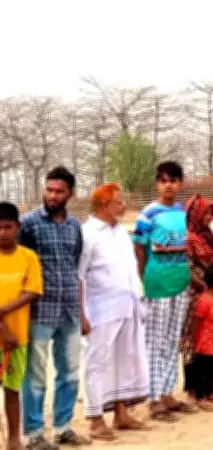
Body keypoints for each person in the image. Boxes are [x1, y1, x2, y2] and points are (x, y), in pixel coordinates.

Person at [19, 167, 91, 448]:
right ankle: (34, 433)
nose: (52, 195)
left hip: (69, 310)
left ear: (70, 193)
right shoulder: (28, 224)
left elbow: (75, 267)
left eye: (59, 191)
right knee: (35, 374)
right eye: (49, 189)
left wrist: (82, 313)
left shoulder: (75, 227)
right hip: (39, 311)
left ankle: (63, 427)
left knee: (70, 372)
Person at [79, 184, 149, 441]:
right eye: (119, 202)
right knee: (96, 362)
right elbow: (79, 276)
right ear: (104, 205)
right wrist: (81, 314)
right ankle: (95, 419)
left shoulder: (120, 232)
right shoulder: (87, 234)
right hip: (100, 310)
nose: (124, 205)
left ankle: (121, 413)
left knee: (124, 359)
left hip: (128, 305)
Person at [130, 162, 195, 423]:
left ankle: (168, 393)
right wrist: (144, 278)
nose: (168, 185)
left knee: (172, 341)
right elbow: (138, 249)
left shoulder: (182, 212)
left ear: (180, 183)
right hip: (157, 285)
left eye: (173, 180)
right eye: (163, 180)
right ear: (157, 184)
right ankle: (153, 399)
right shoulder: (148, 214)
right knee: (154, 342)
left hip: (180, 283)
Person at [0, 202, 43, 450]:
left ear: (17, 227)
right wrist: (2, 327)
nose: (2, 233)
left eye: (7, 227)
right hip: (6, 334)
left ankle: (14, 437)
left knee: (12, 388)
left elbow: (33, 291)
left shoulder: (28, 257)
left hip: (17, 338)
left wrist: (3, 311)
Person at [181, 195, 213, 402]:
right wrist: (204, 285)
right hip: (194, 296)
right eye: (205, 213)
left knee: (209, 340)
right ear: (194, 214)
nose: (209, 217)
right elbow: (186, 270)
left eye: (211, 213)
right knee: (193, 341)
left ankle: (206, 389)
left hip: (210, 296)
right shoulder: (188, 238)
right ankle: (193, 391)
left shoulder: (207, 235)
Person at [186, 264, 213, 412]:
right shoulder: (204, 300)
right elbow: (196, 321)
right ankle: (200, 398)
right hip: (204, 343)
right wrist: (193, 341)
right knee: (202, 372)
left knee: (212, 369)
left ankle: (209, 394)